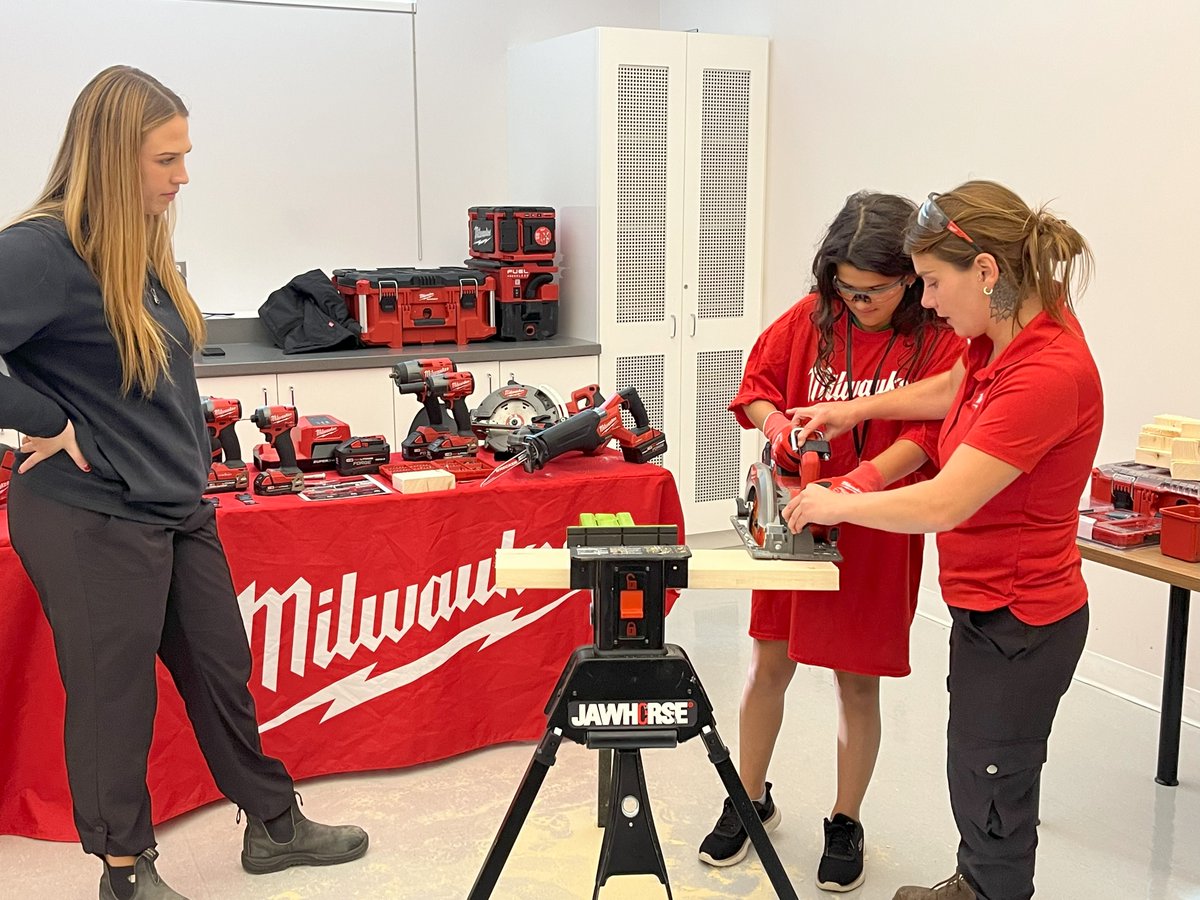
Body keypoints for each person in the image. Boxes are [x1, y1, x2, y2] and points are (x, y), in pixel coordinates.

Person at [0, 66, 368, 900]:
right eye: (167, 159)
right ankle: (124, 869)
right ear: (110, 155)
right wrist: (44, 419)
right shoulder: (37, 250)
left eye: (185, 156)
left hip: (170, 503)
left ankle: (273, 823)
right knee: (114, 697)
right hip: (87, 514)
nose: (183, 176)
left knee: (219, 668)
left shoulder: (140, 243)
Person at [786, 181, 1102, 900]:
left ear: (985, 271)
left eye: (932, 282)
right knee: (974, 766)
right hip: (985, 606)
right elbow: (950, 389)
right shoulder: (1010, 328)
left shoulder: (1048, 372)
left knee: (996, 786)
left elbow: (946, 501)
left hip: (1022, 619)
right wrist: (853, 411)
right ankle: (970, 886)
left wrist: (840, 501)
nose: (925, 302)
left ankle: (990, 891)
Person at [700, 192, 963, 892]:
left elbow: (931, 433)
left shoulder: (937, 335)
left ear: (910, 276)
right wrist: (778, 426)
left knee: (857, 683)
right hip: (794, 521)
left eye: (873, 290)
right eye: (844, 287)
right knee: (768, 667)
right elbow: (755, 390)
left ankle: (845, 818)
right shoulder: (811, 317)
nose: (857, 302)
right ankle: (748, 798)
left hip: (876, 529)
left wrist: (860, 487)